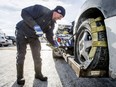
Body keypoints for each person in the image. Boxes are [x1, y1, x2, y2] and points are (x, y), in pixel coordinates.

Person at [15, 4, 65, 85]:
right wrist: (36, 26)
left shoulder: (51, 24)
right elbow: (24, 12)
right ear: (57, 11)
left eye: (61, 18)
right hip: (22, 31)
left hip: (33, 37)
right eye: (60, 16)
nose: (59, 19)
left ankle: (38, 74)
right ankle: (20, 76)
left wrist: (56, 45)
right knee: (21, 55)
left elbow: (49, 37)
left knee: (37, 56)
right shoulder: (41, 9)